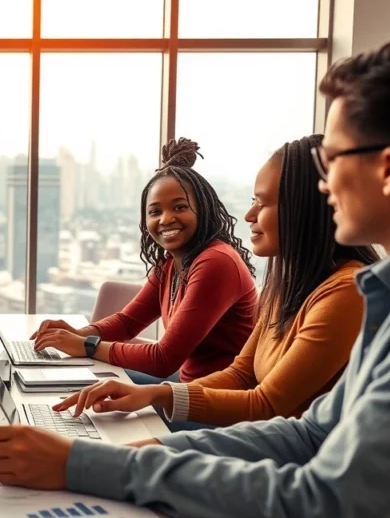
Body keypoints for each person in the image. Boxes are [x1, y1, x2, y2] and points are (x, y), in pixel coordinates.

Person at [0, 36, 390, 518]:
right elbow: (309, 432)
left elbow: (322, 506)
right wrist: (149, 455)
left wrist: (106, 467)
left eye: (331, 160)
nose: (324, 184)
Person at [57, 134, 381, 429]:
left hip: (270, 439)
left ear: (304, 209)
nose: (249, 216)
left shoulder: (345, 292)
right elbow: (241, 374)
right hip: (237, 412)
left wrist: (158, 394)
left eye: (262, 202)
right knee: (95, 417)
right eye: (154, 211)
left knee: (104, 431)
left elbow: (266, 403)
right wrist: (155, 392)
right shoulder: (284, 286)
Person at [32, 138, 258, 385]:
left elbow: (163, 360)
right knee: (82, 383)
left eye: (180, 207)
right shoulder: (170, 264)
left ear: (203, 210)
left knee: (91, 399)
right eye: (155, 212)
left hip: (221, 405)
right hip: (190, 387)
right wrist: (76, 334)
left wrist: (86, 346)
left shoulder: (217, 262)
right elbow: (127, 323)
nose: (166, 219)